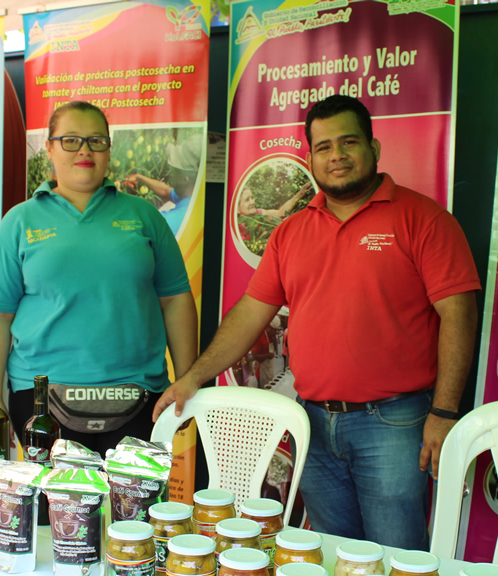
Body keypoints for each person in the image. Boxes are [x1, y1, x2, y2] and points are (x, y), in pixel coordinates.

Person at [153, 95, 481, 550]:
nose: (337, 156)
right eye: (324, 147)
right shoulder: (290, 231)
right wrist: (192, 378)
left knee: (395, 551)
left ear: (374, 147)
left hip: (394, 422)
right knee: (329, 550)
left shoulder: (423, 220)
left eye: (348, 142)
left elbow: (459, 315)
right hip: (311, 420)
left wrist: (445, 413)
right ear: (310, 158)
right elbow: (250, 313)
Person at [0, 100, 198, 456]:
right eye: (71, 140)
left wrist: (187, 380)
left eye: (96, 141)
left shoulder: (144, 216)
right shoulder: (19, 222)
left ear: (109, 149)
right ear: (49, 148)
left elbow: (175, 299)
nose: (85, 150)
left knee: (133, 511)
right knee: (57, 512)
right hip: (40, 401)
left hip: (140, 398)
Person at [123, 132, 203, 234]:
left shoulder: (169, 221)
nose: (171, 173)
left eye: (175, 171)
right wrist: (139, 177)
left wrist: (118, 200)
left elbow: (128, 229)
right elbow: (166, 191)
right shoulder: (195, 199)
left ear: (185, 179)